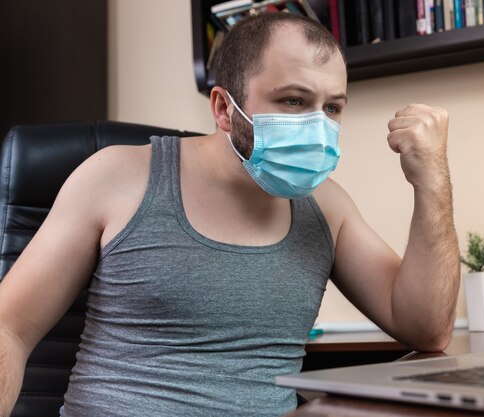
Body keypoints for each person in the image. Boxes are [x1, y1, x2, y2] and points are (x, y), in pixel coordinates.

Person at [0, 12, 459, 417]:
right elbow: (9, 329)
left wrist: (433, 181)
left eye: (332, 107)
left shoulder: (327, 206)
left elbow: (426, 328)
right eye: (294, 101)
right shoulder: (115, 177)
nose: (318, 126)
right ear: (224, 108)